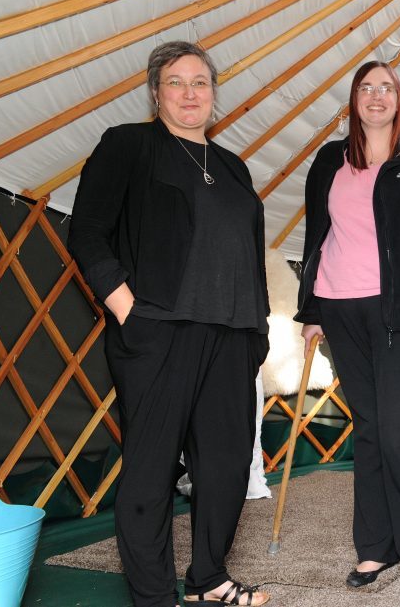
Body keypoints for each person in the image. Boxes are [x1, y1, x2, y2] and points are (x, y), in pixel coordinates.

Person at [68, 41, 271, 607]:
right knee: (152, 470)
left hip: (233, 336)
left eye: (200, 82)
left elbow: (248, 253)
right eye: (176, 82)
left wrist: (258, 330)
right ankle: (154, 596)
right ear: (155, 92)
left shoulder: (232, 165)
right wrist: (126, 306)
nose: (189, 93)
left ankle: (208, 576)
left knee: (228, 466)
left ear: (214, 93)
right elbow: (87, 230)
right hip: (160, 330)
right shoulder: (129, 145)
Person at [294, 60, 400, 594]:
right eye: (366, 88)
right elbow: (316, 236)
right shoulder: (328, 160)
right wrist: (311, 309)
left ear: (398, 98)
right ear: (354, 100)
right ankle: (375, 548)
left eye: (386, 87)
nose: (376, 95)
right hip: (339, 308)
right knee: (368, 431)